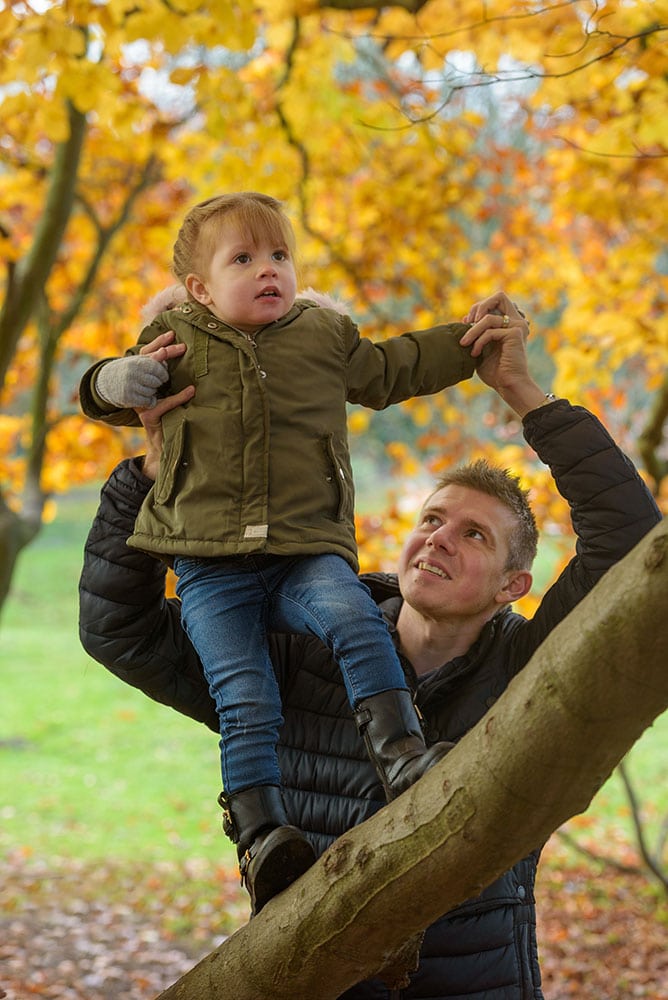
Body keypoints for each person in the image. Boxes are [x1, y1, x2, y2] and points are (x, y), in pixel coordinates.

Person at [79, 288, 662, 998]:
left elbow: (632, 540)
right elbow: (121, 628)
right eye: (432, 519)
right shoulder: (296, 650)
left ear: (514, 585)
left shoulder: (531, 673)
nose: (438, 538)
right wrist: (153, 469)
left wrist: (522, 391)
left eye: (473, 534)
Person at [78, 191, 497, 914]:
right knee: (243, 692)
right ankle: (263, 832)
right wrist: (116, 381)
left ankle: (402, 754)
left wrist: (469, 340)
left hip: (306, 548)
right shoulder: (175, 337)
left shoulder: (324, 336)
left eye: (279, 255)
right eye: (243, 258)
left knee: (358, 623)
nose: (268, 269)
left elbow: (394, 368)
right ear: (200, 289)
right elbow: (105, 391)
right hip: (209, 563)